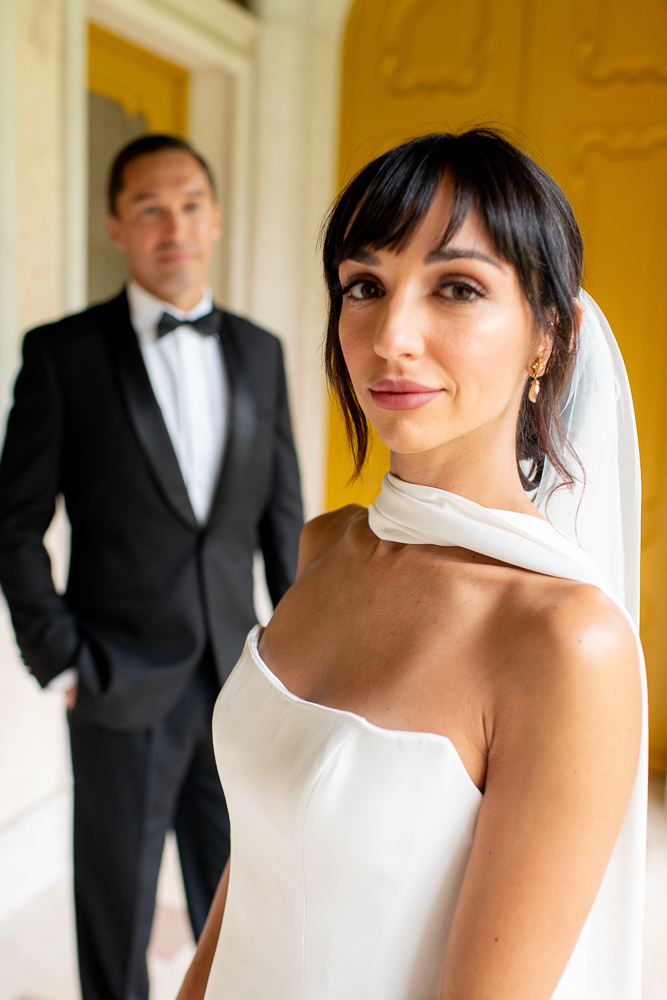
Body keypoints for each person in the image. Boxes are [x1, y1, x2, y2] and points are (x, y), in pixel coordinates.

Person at [175, 128, 647, 1000]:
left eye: (457, 288)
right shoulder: (324, 547)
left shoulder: (565, 645)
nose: (391, 336)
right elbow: (256, 865)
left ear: (546, 337)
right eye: (364, 286)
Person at [0, 134, 303, 1000]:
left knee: (242, 899)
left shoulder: (259, 351)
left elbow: (283, 522)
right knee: (118, 913)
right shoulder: (63, 356)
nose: (174, 226)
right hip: (116, 678)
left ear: (214, 219)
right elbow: (13, 525)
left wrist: (302, 664)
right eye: (149, 209)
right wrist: (60, 658)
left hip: (240, 681)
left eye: (190, 205)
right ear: (116, 227)